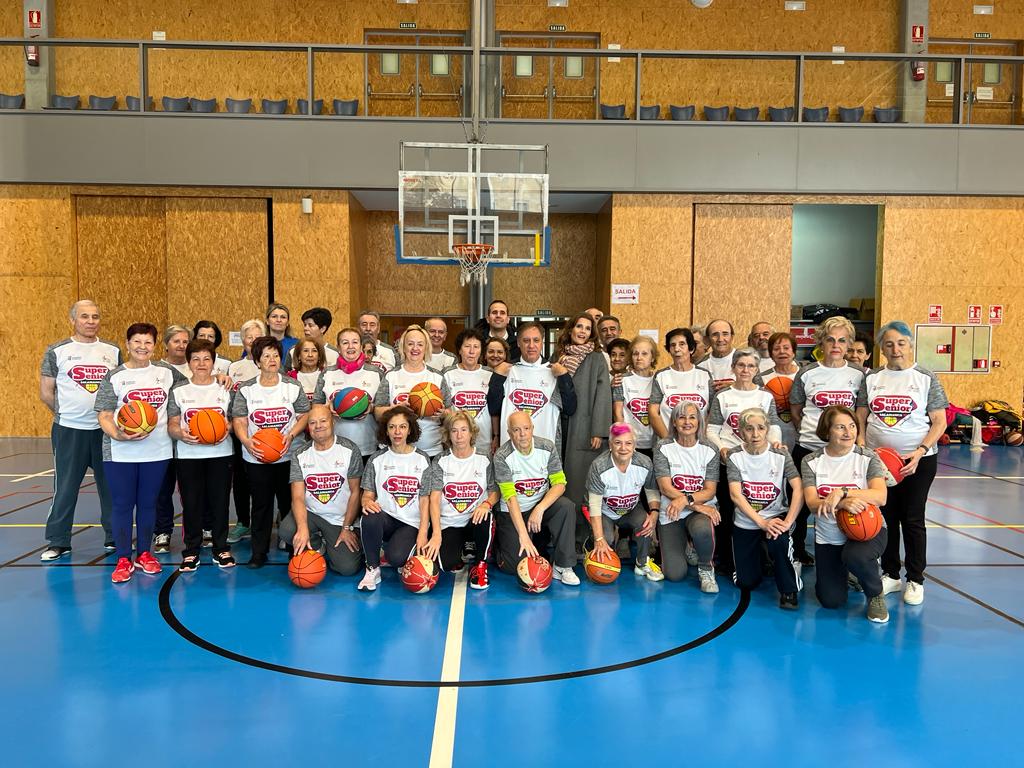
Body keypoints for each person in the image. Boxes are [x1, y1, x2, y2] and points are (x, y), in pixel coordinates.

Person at [856, 321, 948, 606]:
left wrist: (920, 451)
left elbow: (940, 421)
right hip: (879, 463)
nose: (895, 349)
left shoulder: (925, 377)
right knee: (887, 518)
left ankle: (916, 579)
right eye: (889, 344)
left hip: (916, 462)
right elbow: (861, 415)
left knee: (912, 519)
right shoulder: (871, 378)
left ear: (910, 345)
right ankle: (892, 574)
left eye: (901, 343)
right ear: (881, 349)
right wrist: (862, 445)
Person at [95, 323, 184, 583]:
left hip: (157, 450)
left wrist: (221, 378)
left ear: (154, 346)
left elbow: (193, 391)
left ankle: (145, 553)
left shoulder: (167, 373)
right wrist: (119, 434)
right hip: (120, 451)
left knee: (148, 503)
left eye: (147, 342)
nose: (142, 347)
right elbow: (104, 414)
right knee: (122, 504)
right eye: (137, 342)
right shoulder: (115, 376)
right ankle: (123, 558)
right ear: (127, 344)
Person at [40, 300, 120, 560]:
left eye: (95, 316)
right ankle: (58, 540)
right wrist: (66, 414)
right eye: (84, 316)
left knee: (110, 487)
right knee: (65, 487)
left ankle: (114, 536)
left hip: (105, 431)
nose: (91, 321)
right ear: (73, 319)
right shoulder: (57, 351)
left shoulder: (112, 351)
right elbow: (46, 392)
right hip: (69, 431)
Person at [801, 405, 890, 622]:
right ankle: (853, 572)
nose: (848, 432)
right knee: (831, 601)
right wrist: (842, 504)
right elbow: (813, 504)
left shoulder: (867, 457)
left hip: (868, 531)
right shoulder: (811, 461)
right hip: (829, 537)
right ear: (827, 431)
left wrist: (842, 492)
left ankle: (875, 593)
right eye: (840, 427)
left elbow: (880, 496)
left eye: (852, 426)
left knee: (855, 556)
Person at [789, 316, 865, 566]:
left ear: (849, 344)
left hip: (844, 453)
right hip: (809, 448)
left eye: (842, 340)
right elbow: (796, 409)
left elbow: (861, 413)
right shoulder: (807, 373)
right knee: (800, 505)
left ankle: (851, 555)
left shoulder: (860, 375)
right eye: (830, 339)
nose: (836, 345)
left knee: (848, 502)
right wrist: (811, 432)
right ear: (821, 342)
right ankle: (798, 552)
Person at [230, 335, 311, 568]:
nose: (272, 359)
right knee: (261, 506)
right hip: (257, 458)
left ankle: (294, 551)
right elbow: (239, 419)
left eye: (275, 355)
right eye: (266, 356)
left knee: (289, 505)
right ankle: (259, 552)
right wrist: (246, 441)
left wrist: (292, 434)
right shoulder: (247, 389)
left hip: (288, 455)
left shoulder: (291, 386)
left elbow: (304, 414)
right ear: (257, 361)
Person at [706, 348, 782, 576]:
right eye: (741, 365)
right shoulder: (723, 396)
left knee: (758, 508)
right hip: (730, 462)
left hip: (758, 464)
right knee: (728, 512)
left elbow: (774, 425)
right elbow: (711, 429)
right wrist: (722, 448)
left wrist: (775, 442)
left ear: (757, 370)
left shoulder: (765, 396)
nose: (745, 370)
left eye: (750, 366)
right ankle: (725, 559)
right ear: (733, 368)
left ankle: (762, 557)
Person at [167, 339, 235, 571]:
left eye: (206, 359)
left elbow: (235, 420)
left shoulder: (224, 389)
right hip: (188, 455)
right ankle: (191, 550)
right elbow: (172, 424)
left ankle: (221, 548)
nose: (201, 363)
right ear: (189, 363)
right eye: (196, 359)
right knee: (192, 504)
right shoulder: (179, 391)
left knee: (220, 502)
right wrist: (181, 434)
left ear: (214, 362)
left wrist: (228, 429)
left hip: (221, 453)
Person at [726, 407, 802, 609]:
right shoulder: (734, 456)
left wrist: (787, 523)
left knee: (779, 541)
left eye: (760, 428)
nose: (755, 434)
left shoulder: (781, 454)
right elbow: (736, 495)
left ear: (768, 429)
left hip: (776, 517)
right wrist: (761, 523)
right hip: (747, 521)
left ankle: (789, 590)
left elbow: (798, 489)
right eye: (749, 429)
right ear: (741, 432)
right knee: (746, 582)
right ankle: (763, 556)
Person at [493, 412, 579, 585]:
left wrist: (540, 508)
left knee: (566, 506)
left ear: (532, 429)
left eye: (526, 428)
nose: (522, 434)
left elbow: (560, 484)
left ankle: (563, 565)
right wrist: (523, 535)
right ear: (509, 434)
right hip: (513, 512)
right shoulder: (502, 456)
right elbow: (510, 499)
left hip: (539, 508)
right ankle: (498, 545)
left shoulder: (547, 447)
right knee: (514, 567)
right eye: (516, 430)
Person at [281, 404, 364, 577]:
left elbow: (356, 492)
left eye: (323, 421)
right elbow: (297, 497)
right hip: (313, 513)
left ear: (333, 422)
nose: (318, 426)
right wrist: (303, 528)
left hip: (339, 519)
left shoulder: (349, 450)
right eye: (312, 423)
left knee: (347, 569)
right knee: (288, 531)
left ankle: (337, 544)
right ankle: (317, 545)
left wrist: (347, 527)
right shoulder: (300, 454)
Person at [357, 406, 432, 592]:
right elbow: (367, 494)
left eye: (402, 427)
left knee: (396, 558)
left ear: (410, 429)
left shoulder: (422, 459)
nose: (397, 432)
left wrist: (423, 531)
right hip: (387, 518)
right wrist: (366, 502)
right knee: (369, 516)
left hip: (411, 522)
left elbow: (425, 500)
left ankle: (397, 549)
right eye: (392, 427)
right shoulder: (376, 459)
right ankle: (372, 568)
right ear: (386, 431)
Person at [424, 410, 499, 589]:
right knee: (445, 564)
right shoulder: (441, 460)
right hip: (450, 523)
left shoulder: (484, 458)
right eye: (454, 430)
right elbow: (434, 499)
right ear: (448, 434)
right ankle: (461, 549)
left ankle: (480, 565)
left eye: (464, 430)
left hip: (475, 519)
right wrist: (436, 534)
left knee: (486, 516)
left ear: (472, 432)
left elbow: (495, 491)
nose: (459, 436)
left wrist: (487, 504)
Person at [553, 314, 611, 535]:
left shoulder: (596, 358)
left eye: (588, 328)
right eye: (579, 326)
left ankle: (581, 536)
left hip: (584, 428)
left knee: (578, 485)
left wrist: (598, 430)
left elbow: (603, 394)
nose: (583, 331)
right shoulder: (559, 355)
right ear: (571, 329)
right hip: (560, 425)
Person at [653, 401, 720, 592]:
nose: (687, 422)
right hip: (672, 512)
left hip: (697, 511)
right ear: (674, 422)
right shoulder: (663, 447)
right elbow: (666, 488)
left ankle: (706, 568)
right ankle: (687, 546)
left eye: (692, 417)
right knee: (675, 575)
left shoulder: (710, 449)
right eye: (681, 417)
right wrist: (694, 503)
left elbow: (709, 491)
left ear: (699, 421)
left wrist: (685, 500)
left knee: (702, 530)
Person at [585, 423, 662, 581]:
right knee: (606, 539)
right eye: (618, 443)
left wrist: (654, 513)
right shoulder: (599, 466)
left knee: (645, 523)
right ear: (610, 445)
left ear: (634, 445)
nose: (623, 448)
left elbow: (651, 491)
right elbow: (594, 507)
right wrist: (599, 539)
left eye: (628, 443)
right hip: (604, 511)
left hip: (631, 509)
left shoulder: (645, 463)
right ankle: (591, 545)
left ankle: (642, 563)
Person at [487, 321, 576, 446]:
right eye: (526, 340)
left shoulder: (554, 371)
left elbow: (570, 408)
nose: (531, 345)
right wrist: (497, 378)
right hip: (512, 448)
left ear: (542, 342)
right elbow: (493, 408)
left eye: (536, 340)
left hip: (544, 448)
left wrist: (564, 377)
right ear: (518, 343)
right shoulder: (507, 370)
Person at [373, 325, 445, 456]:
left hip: (431, 450)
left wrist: (443, 414)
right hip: (395, 450)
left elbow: (450, 413)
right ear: (403, 347)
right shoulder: (391, 376)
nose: (415, 348)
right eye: (410, 344)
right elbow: (377, 413)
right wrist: (396, 409)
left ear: (426, 348)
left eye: (420, 344)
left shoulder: (437, 377)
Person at [314, 327, 383, 461]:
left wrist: (371, 408)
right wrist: (327, 408)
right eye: (345, 343)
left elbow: (384, 407)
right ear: (339, 347)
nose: (350, 346)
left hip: (368, 446)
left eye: (355, 342)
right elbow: (316, 406)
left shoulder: (376, 373)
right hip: (334, 445)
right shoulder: (327, 373)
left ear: (361, 346)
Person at [153, 323, 193, 553]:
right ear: (166, 343)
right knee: (162, 490)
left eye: (185, 341)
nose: (181, 345)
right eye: (176, 341)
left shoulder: (197, 366)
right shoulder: (157, 369)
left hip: (191, 443)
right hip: (162, 442)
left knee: (192, 491)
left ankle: (198, 530)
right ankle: (163, 532)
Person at [226, 318, 266, 544]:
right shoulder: (235, 368)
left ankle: (274, 521)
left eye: (256, 337)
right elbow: (230, 401)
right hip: (241, 434)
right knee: (241, 480)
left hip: (268, 434)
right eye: (249, 337)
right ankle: (243, 522)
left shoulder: (273, 364)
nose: (253, 341)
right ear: (243, 341)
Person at [648, 327, 714, 441]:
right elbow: (653, 412)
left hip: (698, 443)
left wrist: (701, 438)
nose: (677, 349)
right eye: (672, 345)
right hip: (668, 442)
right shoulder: (661, 376)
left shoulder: (704, 375)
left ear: (691, 348)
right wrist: (668, 441)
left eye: (682, 344)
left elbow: (712, 411)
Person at [441, 328, 493, 454]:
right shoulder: (447, 374)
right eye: (467, 346)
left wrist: (496, 436)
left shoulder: (490, 374)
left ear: (481, 351)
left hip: (484, 440)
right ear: (459, 350)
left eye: (476, 347)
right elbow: (443, 407)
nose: (471, 351)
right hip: (456, 440)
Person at [754, 331, 801, 452]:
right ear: (770, 353)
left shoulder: (805, 375)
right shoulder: (761, 378)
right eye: (776, 349)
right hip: (773, 433)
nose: (782, 352)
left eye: (786, 348)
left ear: (794, 351)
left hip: (801, 433)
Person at [613, 335, 658, 458]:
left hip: (655, 444)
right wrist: (624, 442)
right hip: (630, 444)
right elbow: (618, 414)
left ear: (652, 358)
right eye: (635, 354)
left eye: (644, 354)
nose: (639, 358)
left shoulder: (659, 380)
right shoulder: (621, 380)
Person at [697, 319, 737, 389]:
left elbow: (758, 389)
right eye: (715, 335)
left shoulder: (746, 361)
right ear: (707, 339)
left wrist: (736, 386)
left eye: (725, 334)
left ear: (732, 337)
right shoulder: (699, 366)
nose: (720, 339)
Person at [288, 338, 325, 402]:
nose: (310, 355)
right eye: (305, 351)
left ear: (319, 356)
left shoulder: (327, 375)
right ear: (299, 355)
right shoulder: (290, 378)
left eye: (314, 351)